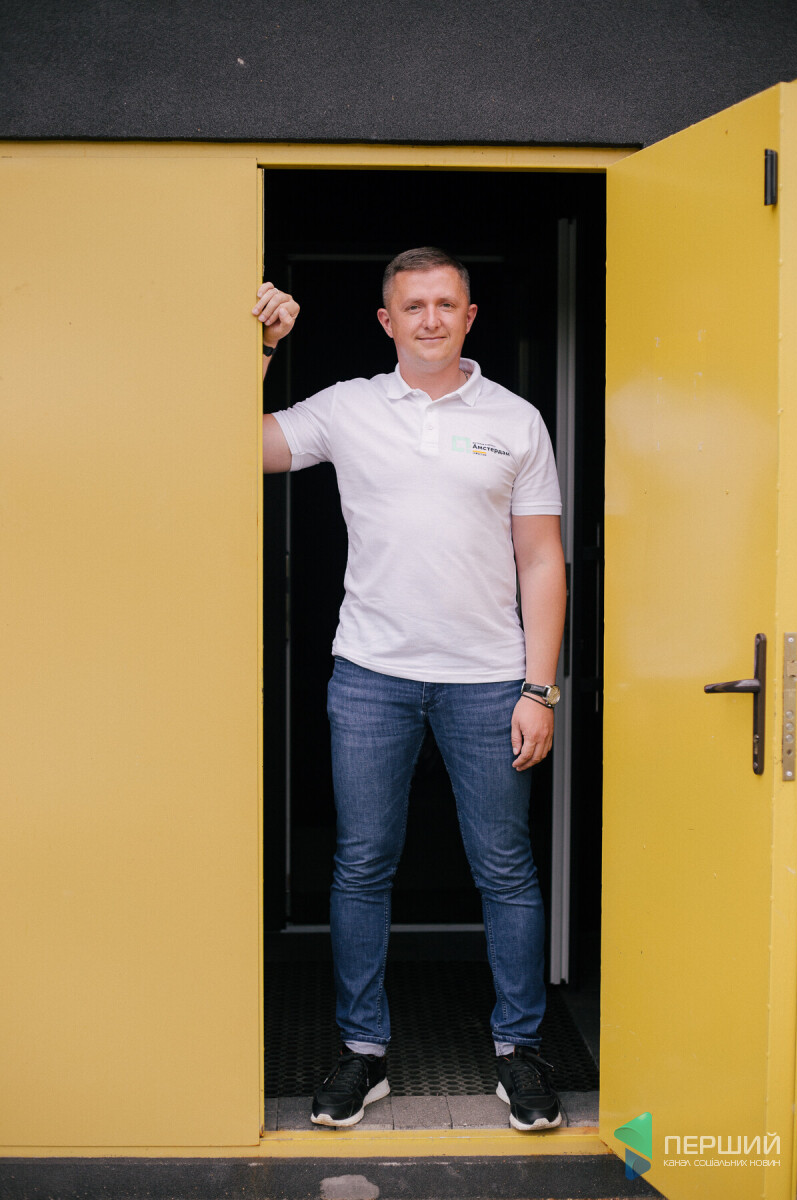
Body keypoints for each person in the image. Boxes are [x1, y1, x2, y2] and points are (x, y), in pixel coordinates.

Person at [253, 247, 567, 1132]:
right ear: (387, 322)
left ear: (471, 316)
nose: (431, 318)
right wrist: (262, 350)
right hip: (371, 676)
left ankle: (520, 1051)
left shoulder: (515, 420)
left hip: (489, 681)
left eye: (446, 303)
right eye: (414, 306)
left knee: (504, 867)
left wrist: (539, 690)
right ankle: (363, 1053)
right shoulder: (349, 406)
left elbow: (543, 559)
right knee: (361, 865)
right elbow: (238, 447)